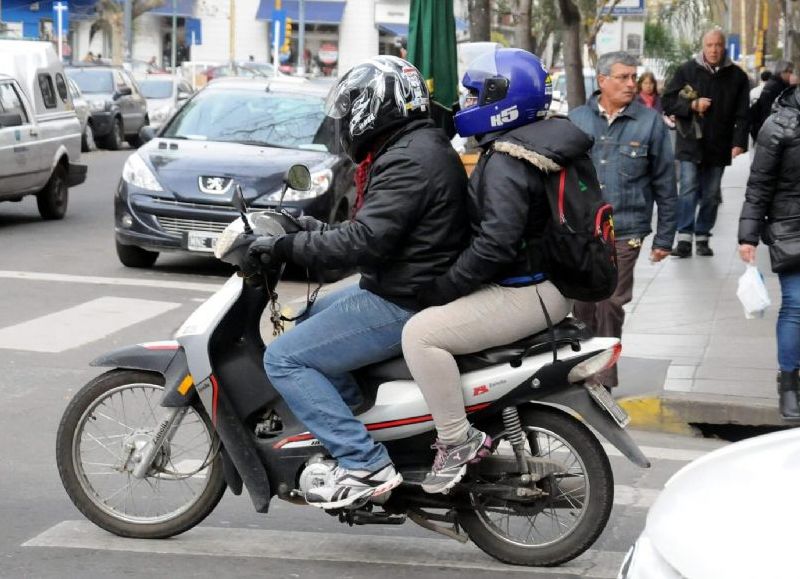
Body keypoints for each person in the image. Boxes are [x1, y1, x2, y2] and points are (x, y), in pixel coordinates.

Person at [247, 56, 469, 509]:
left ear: (376, 105)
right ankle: (348, 422)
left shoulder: (410, 158)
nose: (346, 118)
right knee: (307, 315)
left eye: (352, 106)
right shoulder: (412, 146)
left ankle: (363, 462)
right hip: (405, 280)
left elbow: (365, 242)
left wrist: (286, 249)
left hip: (405, 296)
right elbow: (376, 230)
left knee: (285, 358)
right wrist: (309, 230)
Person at [401, 48, 580, 493]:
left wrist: (445, 286)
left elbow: (496, 244)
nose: (466, 103)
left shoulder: (506, 159)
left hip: (526, 292)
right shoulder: (536, 141)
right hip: (546, 285)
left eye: (475, 94)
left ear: (504, 98)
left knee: (420, 335)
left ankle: (455, 439)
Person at [569, 51, 677, 388]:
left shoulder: (650, 123)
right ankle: (580, 369)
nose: (631, 83)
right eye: (623, 77)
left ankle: (602, 380)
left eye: (634, 77)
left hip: (626, 229)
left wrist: (664, 238)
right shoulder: (576, 120)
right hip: (582, 231)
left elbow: (665, 181)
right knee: (583, 303)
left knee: (611, 301)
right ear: (602, 80)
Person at [738, 84, 800, 420]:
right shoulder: (778, 124)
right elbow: (759, 183)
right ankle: (789, 382)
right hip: (792, 228)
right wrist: (747, 236)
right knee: (796, 303)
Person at [662, 28, 749, 258]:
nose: (714, 50)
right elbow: (668, 101)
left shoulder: (737, 77)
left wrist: (739, 141)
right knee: (688, 189)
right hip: (689, 142)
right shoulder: (687, 70)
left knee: (711, 194)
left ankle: (702, 236)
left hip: (718, 144)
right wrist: (691, 105)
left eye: (718, 45)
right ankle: (683, 237)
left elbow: (743, 114)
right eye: (709, 45)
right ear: (703, 46)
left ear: (724, 47)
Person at [749, 60, 794, 141]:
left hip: (765, 128)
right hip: (770, 131)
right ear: (782, 72)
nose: (791, 75)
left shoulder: (774, 84)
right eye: (789, 72)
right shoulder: (777, 87)